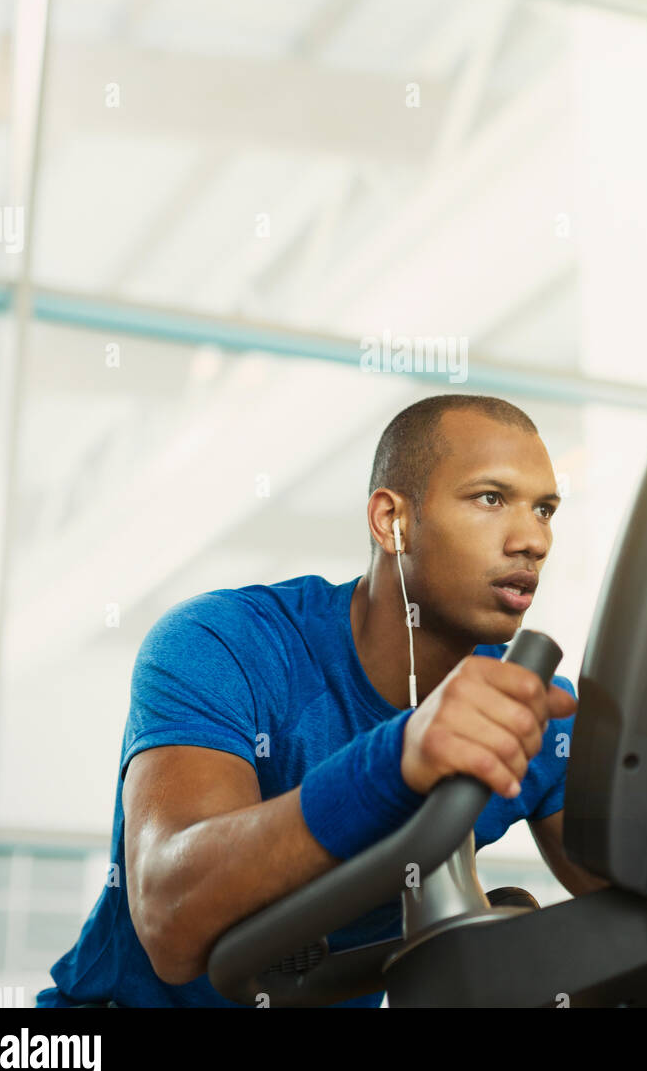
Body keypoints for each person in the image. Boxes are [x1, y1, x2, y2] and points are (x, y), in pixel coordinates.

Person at [35, 394, 606, 1009]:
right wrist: (397, 759)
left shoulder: (530, 714)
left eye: (544, 509)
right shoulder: (225, 643)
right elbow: (170, 921)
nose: (532, 540)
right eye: (490, 499)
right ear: (392, 521)